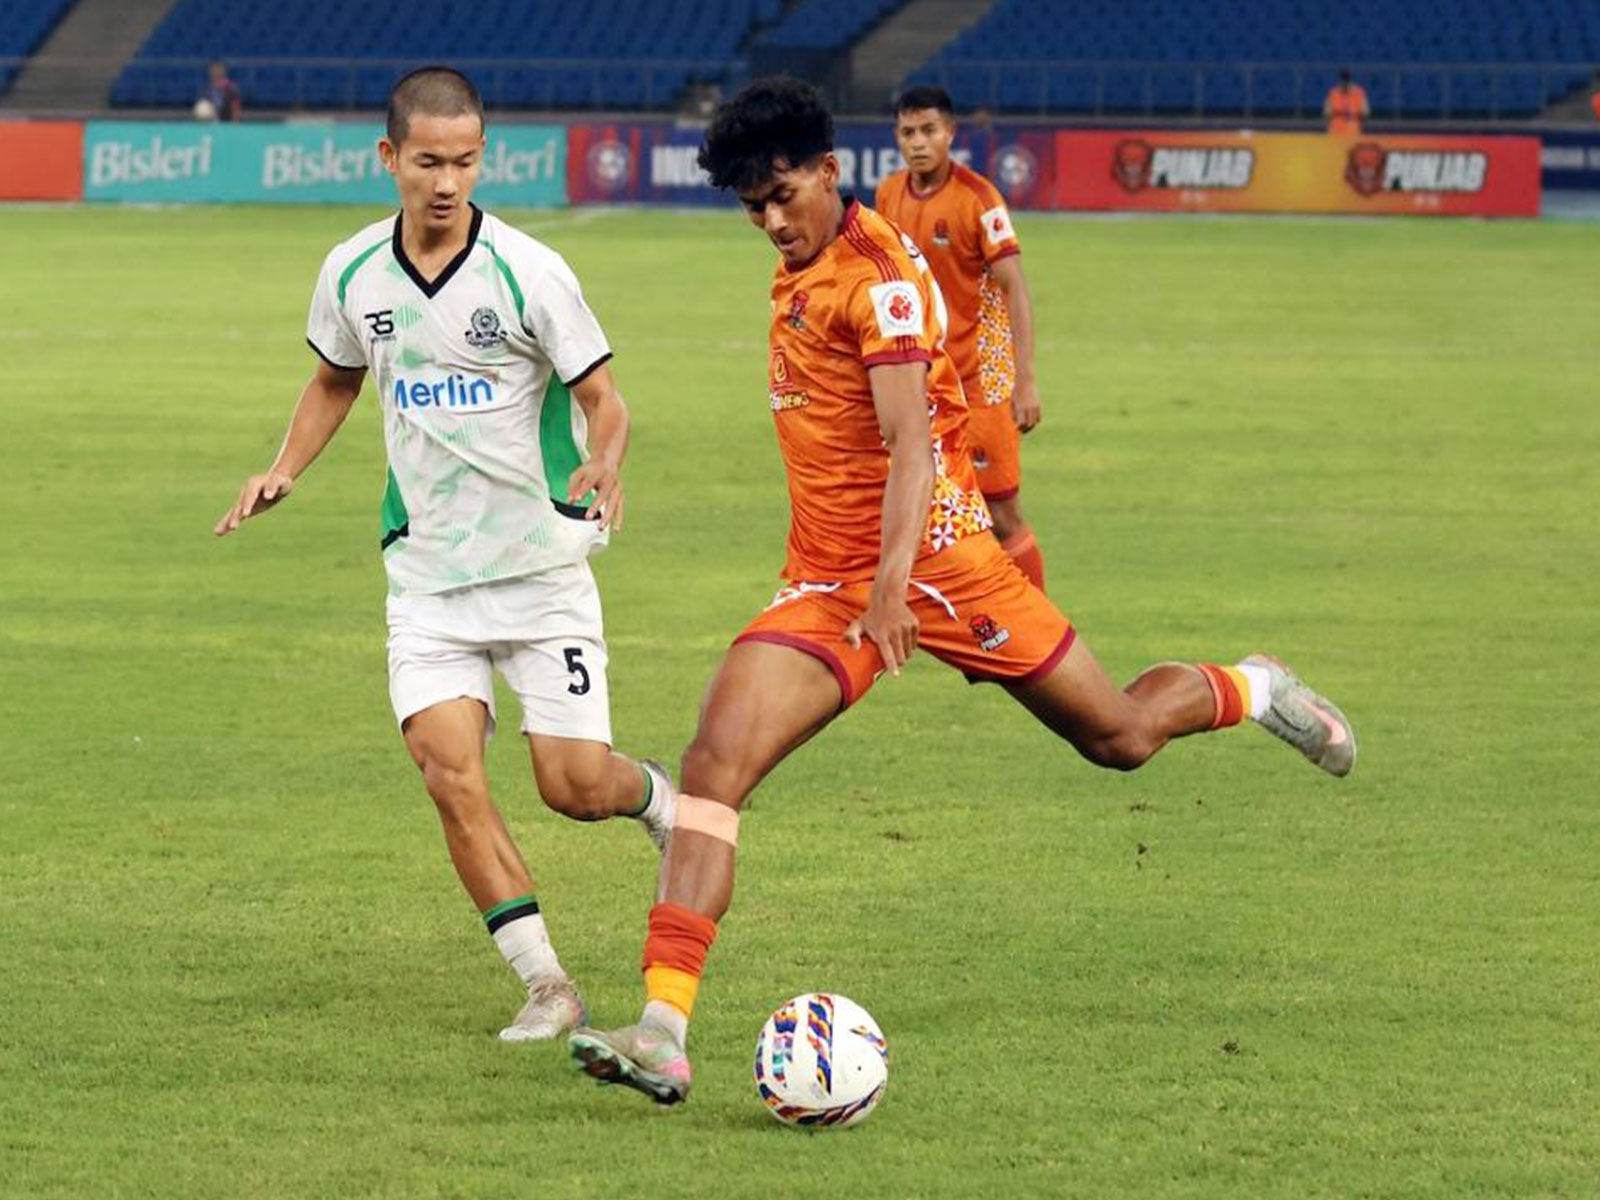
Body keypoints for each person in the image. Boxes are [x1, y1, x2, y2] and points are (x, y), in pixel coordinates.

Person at [567, 76, 1357, 1106]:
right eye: (750, 205)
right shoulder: (803, 261)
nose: (768, 221)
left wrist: (894, 585)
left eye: (781, 195)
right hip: (827, 580)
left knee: (1115, 735)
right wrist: (860, 583)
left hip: (938, 564)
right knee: (715, 762)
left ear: (827, 170)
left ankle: (1253, 687)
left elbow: (908, 449)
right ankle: (664, 1032)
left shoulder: (879, 281)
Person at [213, 67, 675, 1043]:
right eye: (427, 161)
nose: (446, 181)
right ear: (389, 158)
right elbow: (336, 379)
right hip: (425, 579)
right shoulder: (351, 273)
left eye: (464, 161)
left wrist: (609, 458)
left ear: (481, 158)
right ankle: (548, 984)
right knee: (448, 771)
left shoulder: (531, 271)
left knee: (573, 786)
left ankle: (656, 798)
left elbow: (604, 398)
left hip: (540, 569)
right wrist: (285, 466)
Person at [877, 84, 1046, 591]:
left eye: (929, 130)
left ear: (950, 133)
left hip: (981, 379)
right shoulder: (888, 194)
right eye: (908, 132)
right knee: (916, 502)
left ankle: (1042, 628)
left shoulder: (979, 199)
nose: (918, 142)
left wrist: (1026, 381)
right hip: (924, 379)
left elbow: (1016, 287)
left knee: (1000, 512)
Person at [1323, 70, 1369, 136]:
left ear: (1351, 81)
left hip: (1353, 132)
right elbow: (1326, 112)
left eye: (1347, 81)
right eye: (1343, 81)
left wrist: (1352, 114)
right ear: (1340, 81)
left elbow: (1365, 113)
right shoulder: (1333, 93)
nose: (1345, 84)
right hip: (1335, 132)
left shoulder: (1359, 93)